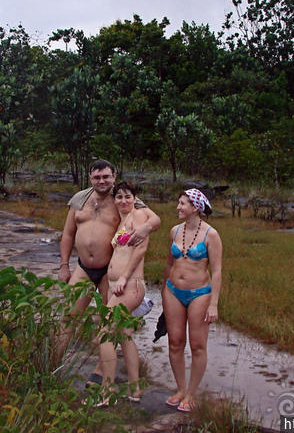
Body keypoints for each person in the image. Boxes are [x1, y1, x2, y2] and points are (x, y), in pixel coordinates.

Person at [56, 160, 160, 369]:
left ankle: (101, 372)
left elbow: (155, 219)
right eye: (96, 177)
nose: (101, 181)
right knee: (68, 316)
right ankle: (51, 366)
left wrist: (144, 228)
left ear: (114, 176)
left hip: (108, 272)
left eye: (106, 177)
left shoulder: (122, 198)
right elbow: (68, 234)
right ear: (90, 178)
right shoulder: (79, 199)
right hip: (83, 268)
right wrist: (64, 264)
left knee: (109, 324)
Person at [161, 188, 223, 413]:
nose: (178, 207)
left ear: (195, 208)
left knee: (197, 345)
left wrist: (214, 303)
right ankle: (180, 389)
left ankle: (191, 393)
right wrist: (163, 290)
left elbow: (216, 271)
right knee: (175, 341)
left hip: (200, 294)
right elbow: (169, 264)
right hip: (173, 292)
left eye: (182, 204)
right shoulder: (174, 231)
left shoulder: (211, 235)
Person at [97, 181, 150, 405]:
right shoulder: (123, 220)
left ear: (135, 198)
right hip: (117, 286)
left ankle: (107, 391)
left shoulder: (138, 216)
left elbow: (141, 249)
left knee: (105, 333)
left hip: (129, 285)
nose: (123, 201)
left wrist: (123, 277)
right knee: (124, 334)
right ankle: (135, 389)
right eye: (119, 197)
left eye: (128, 196)